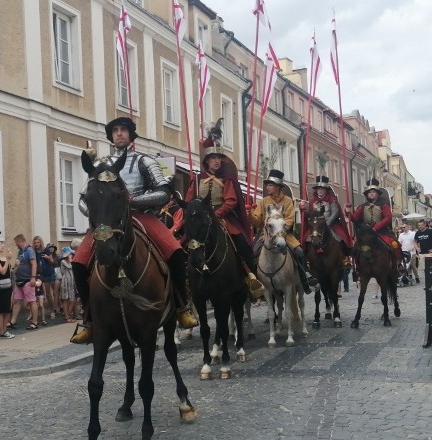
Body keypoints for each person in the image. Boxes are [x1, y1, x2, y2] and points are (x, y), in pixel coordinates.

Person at [71, 117, 198, 344]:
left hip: (141, 216)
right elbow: (83, 199)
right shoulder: (101, 165)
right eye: (115, 131)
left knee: (176, 252)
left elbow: (164, 193)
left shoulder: (145, 161)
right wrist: (96, 213)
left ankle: (181, 307)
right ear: (111, 136)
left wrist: (132, 202)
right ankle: (88, 318)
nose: (119, 134)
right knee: (79, 262)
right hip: (108, 222)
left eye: (123, 130)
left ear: (130, 135)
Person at [184, 122, 263, 295]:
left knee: (243, 245)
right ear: (207, 161)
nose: (217, 161)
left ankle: (250, 277)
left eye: (219, 158)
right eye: (213, 158)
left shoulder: (227, 179)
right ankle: (182, 283)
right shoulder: (198, 179)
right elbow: (189, 200)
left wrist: (215, 214)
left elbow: (231, 201)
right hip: (200, 220)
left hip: (223, 218)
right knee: (181, 244)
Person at [249, 169, 318, 294]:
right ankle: (256, 284)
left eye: (270, 185)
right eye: (267, 185)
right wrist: (250, 215)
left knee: (299, 252)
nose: (267, 187)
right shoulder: (263, 201)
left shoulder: (287, 201)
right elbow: (257, 222)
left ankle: (305, 279)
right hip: (267, 236)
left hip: (285, 235)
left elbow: (290, 219)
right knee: (253, 252)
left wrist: (280, 231)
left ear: (277, 186)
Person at [345, 178, 402, 263]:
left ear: (377, 194)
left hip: (382, 231)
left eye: (373, 192)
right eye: (369, 192)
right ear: (367, 194)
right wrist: (347, 212)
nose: (371, 194)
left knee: (395, 244)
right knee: (356, 249)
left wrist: (376, 227)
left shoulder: (384, 205)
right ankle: (357, 266)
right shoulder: (362, 206)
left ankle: (397, 264)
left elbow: (388, 218)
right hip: (366, 233)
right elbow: (355, 219)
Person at [300, 175, 353, 258]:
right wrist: (303, 210)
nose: (320, 191)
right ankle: (306, 257)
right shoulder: (312, 201)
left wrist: (326, 223)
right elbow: (309, 215)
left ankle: (344, 256)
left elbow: (335, 213)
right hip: (316, 225)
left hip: (330, 224)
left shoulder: (332, 200)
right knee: (305, 239)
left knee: (341, 238)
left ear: (325, 190)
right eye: (318, 189)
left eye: (322, 189)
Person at [9, 234, 38, 330]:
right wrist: (14, 270)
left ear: (20, 241)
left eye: (16, 242)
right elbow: (18, 264)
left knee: (31, 301)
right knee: (17, 301)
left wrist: (33, 277)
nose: (16, 244)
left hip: (28, 280)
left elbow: (34, 264)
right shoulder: (20, 252)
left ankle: (34, 322)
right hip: (19, 280)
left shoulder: (29, 250)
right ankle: (13, 321)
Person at [33, 237, 58, 320]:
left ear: (41, 243)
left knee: (55, 293)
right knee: (47, 294)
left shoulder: (46, 250)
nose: (36, 244)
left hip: (50, 273)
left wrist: (48, 258)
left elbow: (53, 262)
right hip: (41, 275)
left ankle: (54, 309)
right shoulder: (33, 251)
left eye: (38, 242)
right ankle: (52, 310)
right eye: (35, 242)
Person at [59, 246, 77, 322]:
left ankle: (68, 315)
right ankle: (67, 317)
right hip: (65, 282)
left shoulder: (71, 261)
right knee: (66, 300)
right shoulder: (63, 261)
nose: (71, 255)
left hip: (71, 282)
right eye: (70, 253)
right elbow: (70, 267)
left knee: (73, 299)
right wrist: (70, 260)